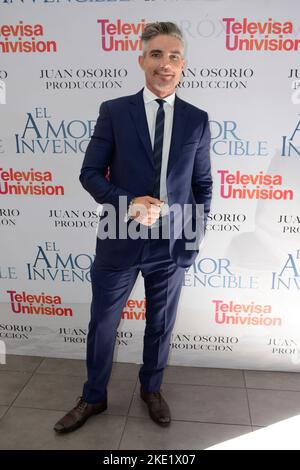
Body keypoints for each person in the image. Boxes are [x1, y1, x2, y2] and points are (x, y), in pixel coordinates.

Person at [54, 21, 212, 434]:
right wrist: (129, 202)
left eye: (173, 56)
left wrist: (191, 242)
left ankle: (151, 389)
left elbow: (202, 186)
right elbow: (90, 174)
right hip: (118, 237)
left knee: (161, 324)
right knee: (103, 322)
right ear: (142, 59)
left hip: (171, 244)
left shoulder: (197, 120)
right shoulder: (114, 111)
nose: (165, 63)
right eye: (157, 54)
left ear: (183, 64)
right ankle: (93, 396)